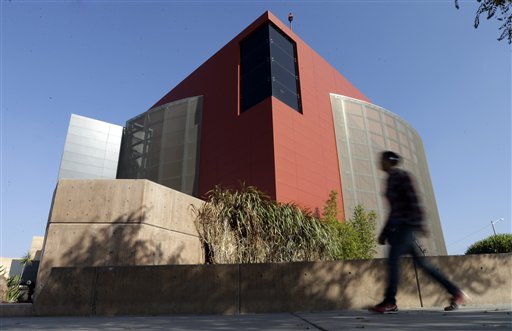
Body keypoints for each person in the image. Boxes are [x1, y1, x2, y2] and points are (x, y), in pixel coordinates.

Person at [372, 151, 466, 313]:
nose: (379, 162)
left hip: (405, 227)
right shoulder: (390, 180)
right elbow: (394, 210)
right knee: (423, 265)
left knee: (393, 260)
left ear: (389, 161)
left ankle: (390, 301)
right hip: (399, 228)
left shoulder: (401, 176)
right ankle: (455, 292)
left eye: (382, 160)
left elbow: (414, 201)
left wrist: (418, 223)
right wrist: (385, 232)